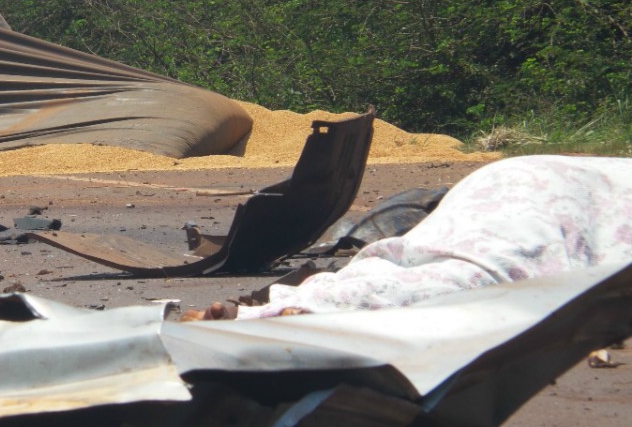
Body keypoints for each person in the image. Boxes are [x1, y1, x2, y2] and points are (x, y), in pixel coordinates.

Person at [182, 155, 632, 321]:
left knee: (419, 258)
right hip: (546, 199)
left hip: (517, 176)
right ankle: (292, 311)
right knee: (484, 277)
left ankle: (299, 305)